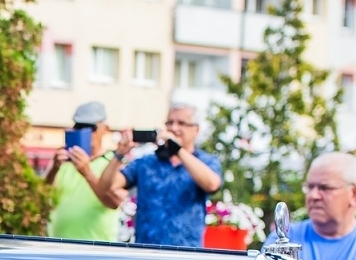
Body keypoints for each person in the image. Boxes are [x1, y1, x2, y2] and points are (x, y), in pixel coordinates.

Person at [93, 102, 222, 247]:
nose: (173, 128)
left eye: (181, 123)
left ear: (196, 130)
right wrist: (119, 154)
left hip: (187, 255)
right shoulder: (146, 162)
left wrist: (177, 149)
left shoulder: (205, 162)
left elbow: (212, 184)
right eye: (170, 123)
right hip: (147, 253)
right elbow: (106, 186)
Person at [43, 101, 121, 242]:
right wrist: (54, 169)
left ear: (105, 129)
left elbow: (114, 202)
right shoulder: (64, 163)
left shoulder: (112, 163)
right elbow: (43, 197)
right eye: (79, 127)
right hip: (59, 247)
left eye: (90, 127)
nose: (85, 132)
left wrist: (87, 172)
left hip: (96, 250)